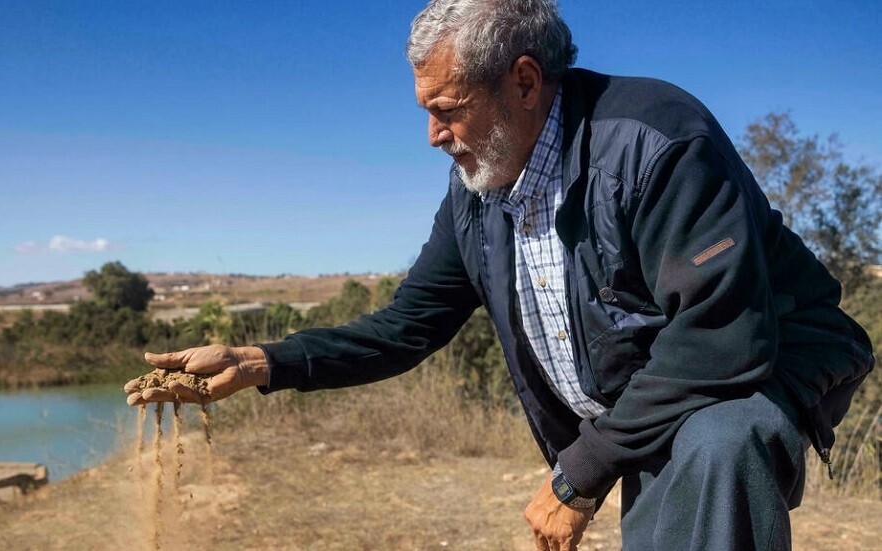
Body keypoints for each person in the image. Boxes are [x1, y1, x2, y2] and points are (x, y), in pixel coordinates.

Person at [124, 1, 875, 549]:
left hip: (767, 352)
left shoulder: (656, 141)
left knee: (720, 440)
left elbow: (721, 338)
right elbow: (407, 325)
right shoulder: (479, 196)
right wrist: (261, 362)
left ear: (523, 81)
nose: (431, 135)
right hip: (654, 385)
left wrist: (578, 473)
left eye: (447, 108)